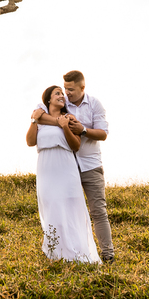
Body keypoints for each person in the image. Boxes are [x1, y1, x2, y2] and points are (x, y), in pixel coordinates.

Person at [34, 70, 113, 262]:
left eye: (71, 89)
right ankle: (64, 251)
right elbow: (38, 115)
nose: (67, 93)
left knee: (97, 210)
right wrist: (63, 122)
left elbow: (103, 134)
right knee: (66, 209)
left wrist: (83, 130)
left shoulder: (94, 104)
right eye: (65, 89)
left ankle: (108, 254)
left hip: (90, 164)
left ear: (82, 88)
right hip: (65, 167)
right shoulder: (61, 102)